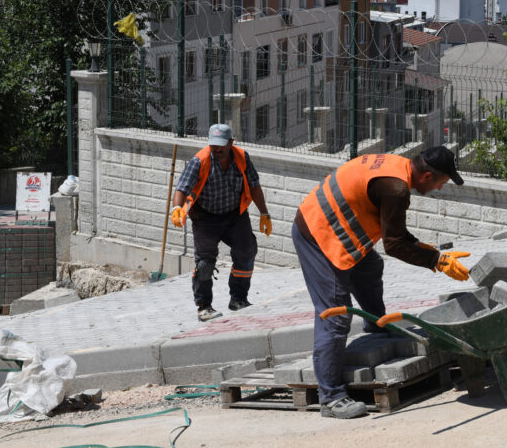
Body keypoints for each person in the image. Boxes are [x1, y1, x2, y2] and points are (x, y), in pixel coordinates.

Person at [292, 146, 470, 419]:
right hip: (318, 234)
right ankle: (332, 398)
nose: (440, 189)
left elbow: (395, 232)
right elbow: (395, 244)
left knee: (370, 267)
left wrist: (435, 255)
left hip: (330, 223)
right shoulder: (396, 189)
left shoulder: (398, 166)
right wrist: (436, 261)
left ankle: (375, 325)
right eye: (441, 183)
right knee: (336, 315)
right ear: (426, 177)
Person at [170, 124, 272, 321]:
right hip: (205, 218)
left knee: (246, 250)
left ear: (231, 143)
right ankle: (204, 306)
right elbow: (182, 188)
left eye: (220, 147)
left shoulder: (242, 157)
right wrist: (176, 208)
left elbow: (254, 186)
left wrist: (264, 213)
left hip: (235, 215)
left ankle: (238, 299)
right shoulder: (200, 161)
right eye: (213, 146)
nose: (216, 150)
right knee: (205, 263)